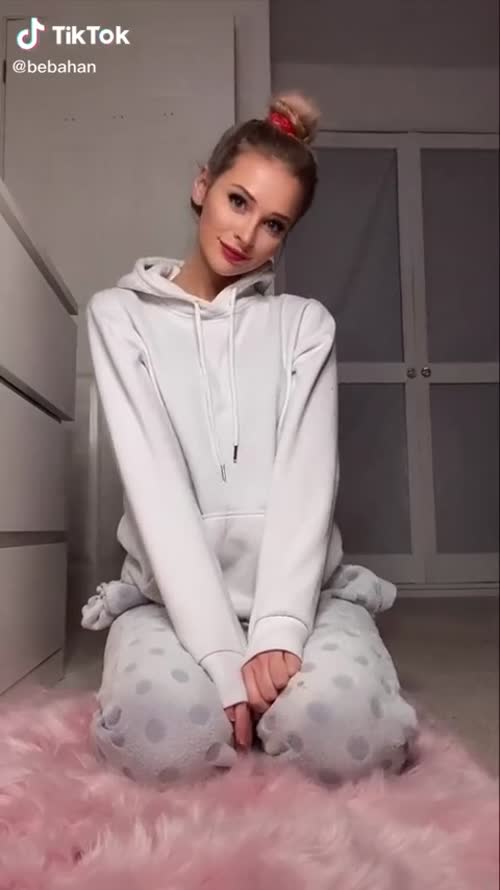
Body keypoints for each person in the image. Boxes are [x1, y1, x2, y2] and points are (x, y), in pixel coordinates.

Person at [83, 91, 418, 787]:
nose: (246, 235)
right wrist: (216, 652)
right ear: (202, 185)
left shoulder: (305, 325)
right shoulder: (119, 316)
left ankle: (306, 678)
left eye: (273, 225)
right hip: (168, 602)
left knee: (347, 740)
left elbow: (306, 485)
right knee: (163, 743)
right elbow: (156, 489)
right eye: (238, 201)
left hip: (301, 595)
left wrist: (279, 632)